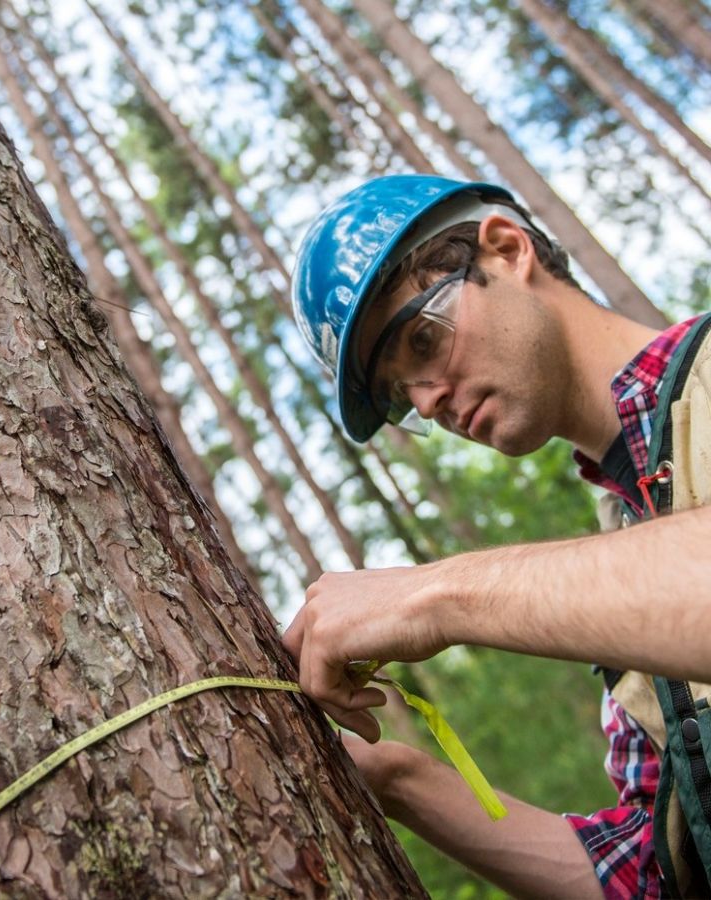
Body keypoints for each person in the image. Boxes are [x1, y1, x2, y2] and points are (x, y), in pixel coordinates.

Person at [282, 174, 711, 899]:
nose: (428, 401)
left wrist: (433, 595)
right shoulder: (625, 531)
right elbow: (655, 875)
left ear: (508, 250)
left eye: (422, 340)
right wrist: (400, 780)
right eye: (399, 395)